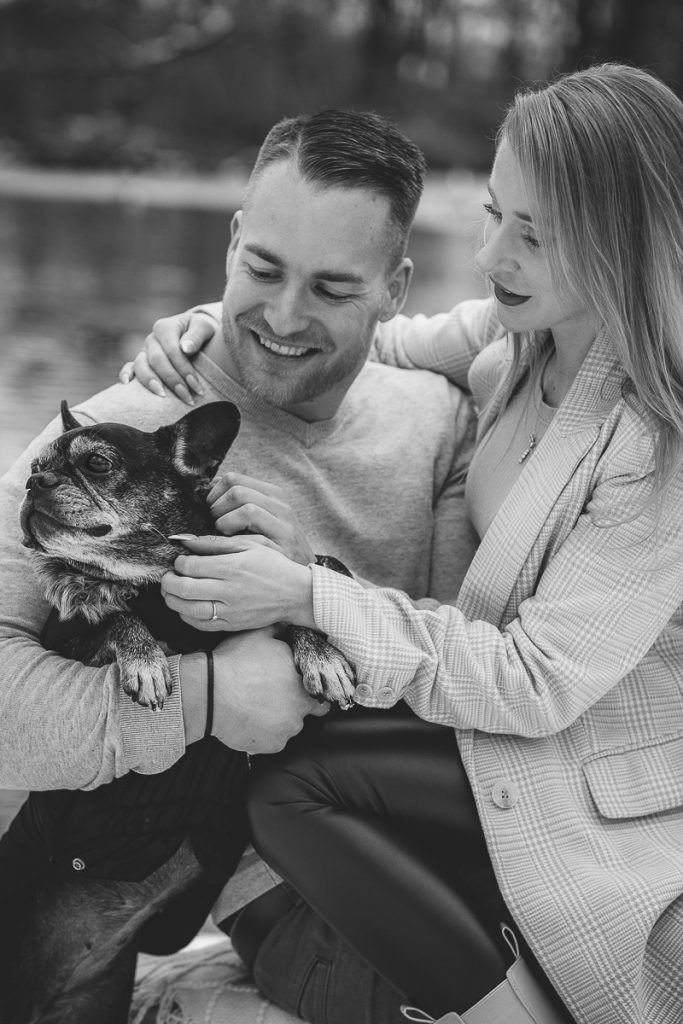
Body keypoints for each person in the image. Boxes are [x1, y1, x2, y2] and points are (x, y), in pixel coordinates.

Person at [133, 64, 683, 1024]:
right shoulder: (520, 336)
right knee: (301, 747)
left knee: (295, 785)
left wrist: (304, 591)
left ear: (618, 244)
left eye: (533, 235)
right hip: (507, 733)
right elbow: (372, 335)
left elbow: (536, 680)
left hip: (593, 770)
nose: (490, 254)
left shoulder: (652, 441)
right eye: (494, 213)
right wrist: (210, 328)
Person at [0, 109, 479, 1019]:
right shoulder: (119, 432)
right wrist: (205, 698)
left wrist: (307, 591)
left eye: (332, 287)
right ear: (230, 243)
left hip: (396, 845)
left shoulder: (438, 420)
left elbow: (468, 657)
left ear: (395, 288)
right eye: (262, 269)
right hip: (173, 875)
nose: (284, 318)